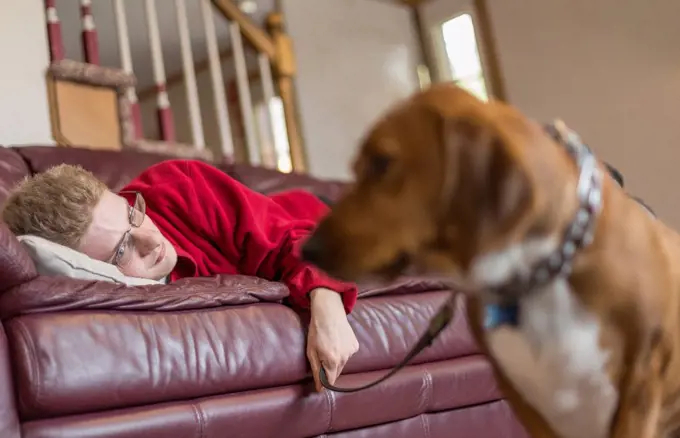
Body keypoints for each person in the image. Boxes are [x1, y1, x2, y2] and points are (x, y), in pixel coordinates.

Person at [1, 159, 359, 392]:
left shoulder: (178, 184)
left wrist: (327, 307)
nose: (151, 239)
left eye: (131, 213)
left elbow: (294, 239)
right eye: (122, 250)